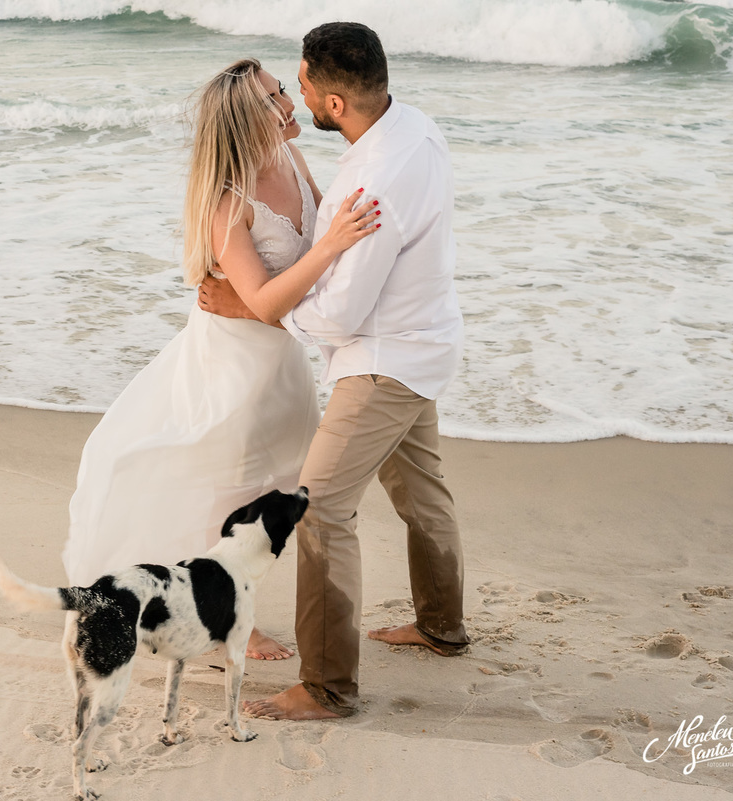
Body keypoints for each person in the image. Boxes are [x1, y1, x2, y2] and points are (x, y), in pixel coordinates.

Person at [62, 58, 383, 661]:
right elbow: (265, 299)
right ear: (247, 120)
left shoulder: (291, 158)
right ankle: (230, 619)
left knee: (274, 492)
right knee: (223, 494)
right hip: (229, 366)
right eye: (275, 97)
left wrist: (341, 244)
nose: (292, 101)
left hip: (280, 365)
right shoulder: (226, 202)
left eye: (284, 89)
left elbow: (311, 250)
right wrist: (335, 243)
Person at [201, 22, 469, 719]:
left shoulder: (370, 177)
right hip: (427, 342)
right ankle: (442, 624)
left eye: (303, 88)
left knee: (318, 510)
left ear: (336, 105)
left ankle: (325, 686)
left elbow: (344, 313)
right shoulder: (414, 128)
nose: (298, 100)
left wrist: (261, 307)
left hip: (383, 362)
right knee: (421, 489)